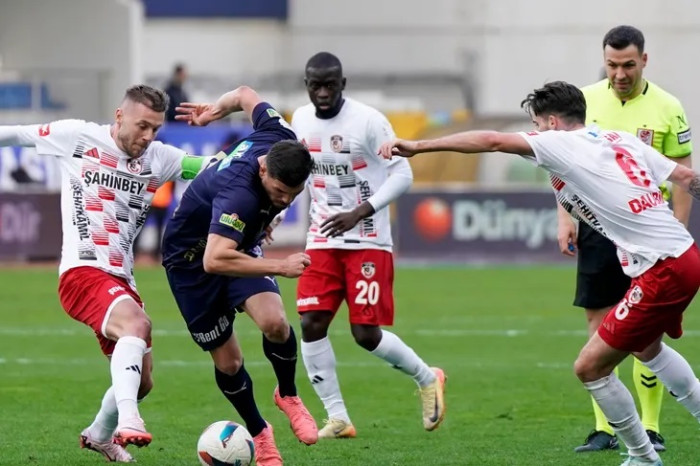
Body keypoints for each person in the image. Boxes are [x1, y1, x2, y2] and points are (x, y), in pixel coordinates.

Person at [380, 81, 700, 466]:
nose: (532, 133)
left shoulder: (559, 143)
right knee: (646, 348)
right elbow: (685, 178)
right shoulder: (618, 139)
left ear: (551, 122)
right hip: (684, 257)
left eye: (535, 124)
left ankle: (643, 458)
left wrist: (419, 146)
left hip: (662, 268)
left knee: (589, 367)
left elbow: (492, 141)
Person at [0, 84, 218, 462]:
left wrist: (254, 163)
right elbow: (15, 135)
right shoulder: (78, 136)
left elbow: (212, 168)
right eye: (142, 126)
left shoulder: (160, 158)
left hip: (121, 279)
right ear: (119, 116)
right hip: (82, 271)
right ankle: (129, 421)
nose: (148, 136)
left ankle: (99, 434)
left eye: (155, 129)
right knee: (138, 325)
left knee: (143, 379)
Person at [290, 51, 446, 439]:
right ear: (307, 85)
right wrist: (274, 215)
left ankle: (428, 378)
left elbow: (402, 173)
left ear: (342, 84)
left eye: (330, 84)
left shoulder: (369, 121)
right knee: (311, 323)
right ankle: (338, 417)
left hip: (368, 240)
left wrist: (361, 211)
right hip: (323, 237)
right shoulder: (300, 119)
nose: (322, 92)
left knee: (365, 335)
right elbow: (300, 176)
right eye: (315, 85)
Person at [161, 85, 317, 466]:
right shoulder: (239, 195)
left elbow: (247, 94)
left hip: (235, 244)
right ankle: (261, 433)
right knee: (229, 363)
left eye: (292, 195)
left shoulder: (281, 137)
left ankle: (288, 395)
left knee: (275, 322)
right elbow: (215, 260)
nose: (284, 200)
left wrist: (215, 110)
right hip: (191, 260)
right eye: (279, 192)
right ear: (263, 168)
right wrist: (280, 265)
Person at [556, 25, 693, 453]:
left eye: (628, 65)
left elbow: (683, 173)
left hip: (650, 232)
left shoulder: (669, 106)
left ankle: (649, 428)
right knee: (601, 328)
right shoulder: (584, 99)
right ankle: (606, 429)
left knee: (645, 339)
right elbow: (563, 165)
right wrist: (565, 218)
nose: (619, 73)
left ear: (644, 62)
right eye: (612, 65)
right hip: (599, 230)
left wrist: (681, 227)